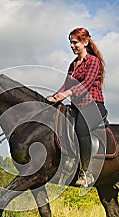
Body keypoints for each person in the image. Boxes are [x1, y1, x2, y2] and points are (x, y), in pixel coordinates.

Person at [47, 27, 108, 186]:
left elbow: (86, 84)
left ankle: (86, 172)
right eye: (70, 43)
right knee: (61, 124)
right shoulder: (73, 65)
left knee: (81, 127)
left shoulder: (93, 61)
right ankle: (65, 165)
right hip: (77, 106)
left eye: (75, 42)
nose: (72, 46)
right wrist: (54, 97)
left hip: (93, 105)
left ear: (85, 42)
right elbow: (66, 85)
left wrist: (66, 94)